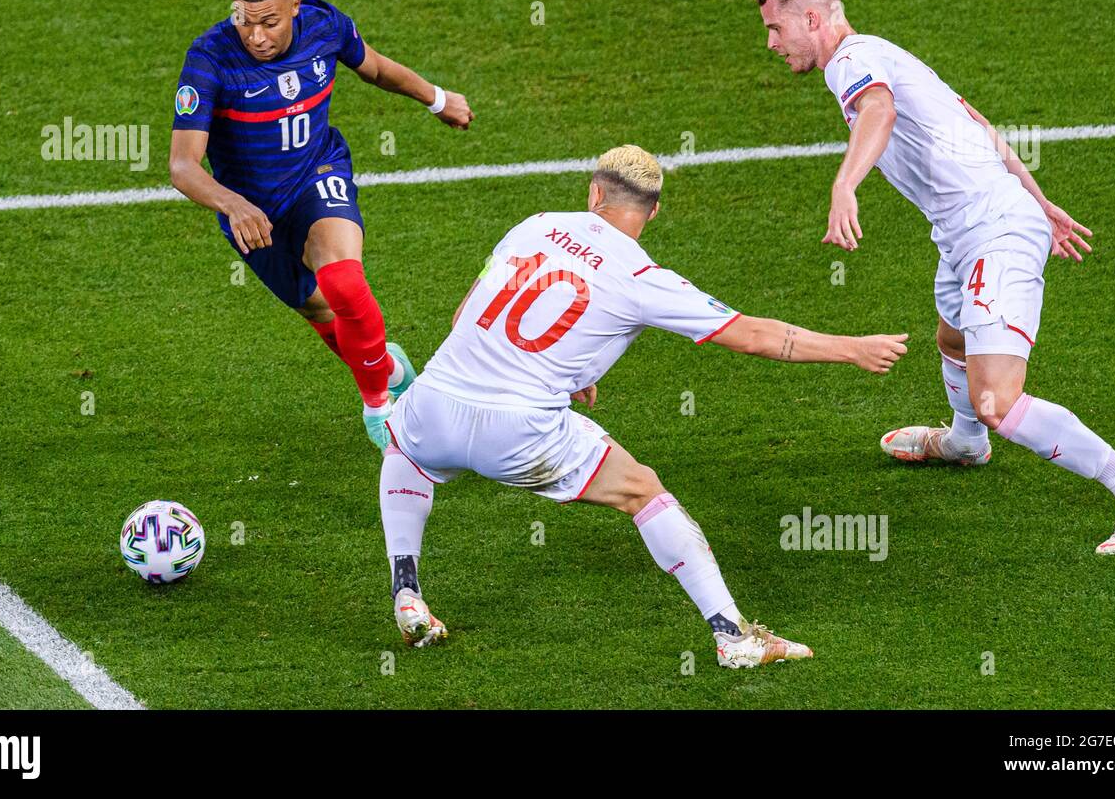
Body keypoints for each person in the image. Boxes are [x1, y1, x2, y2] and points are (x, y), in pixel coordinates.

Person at [377, 145, 910, 667]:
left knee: (404, 447)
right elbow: (752, 335)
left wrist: (569, 371)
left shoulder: (535, 224)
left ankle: (408, 590)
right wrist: (853, 348)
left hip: (437, 403)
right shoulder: (642, 278)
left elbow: (465, 316)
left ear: (594, 193)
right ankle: (734, 636)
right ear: (653, 211)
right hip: (521, 432)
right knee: (644, 491)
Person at [744, 0, 1115, 554]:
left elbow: (880, 110)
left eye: (774, 26)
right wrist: (1040, 199)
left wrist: (844, 185)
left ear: (813, 20)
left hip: (993, 234)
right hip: (965, 233)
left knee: (997, 397)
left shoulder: (853, 63)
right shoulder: (875, 52)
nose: (770, 42)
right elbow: (972, 118)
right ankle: (965, 442)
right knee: (953, 339)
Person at [168, 0, 474, 447]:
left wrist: (437, 99)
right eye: (245, 21)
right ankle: (388, 366)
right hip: (253, 214)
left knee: (344, 282)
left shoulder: (325, 25)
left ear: (294, 6)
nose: (257, 36)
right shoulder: (209, 59)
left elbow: (375, 68)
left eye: (269, 22)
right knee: (321, 310)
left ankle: (380, 406)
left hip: (318, 174)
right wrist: (233, 205)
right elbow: (183, 166)